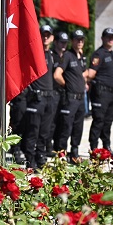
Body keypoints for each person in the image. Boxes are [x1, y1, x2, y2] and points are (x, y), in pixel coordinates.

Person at [21, 25, 56, 169]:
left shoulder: (52, 55)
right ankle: (30, 159)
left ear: (52, 38)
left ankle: (40, 158)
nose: (45, 37)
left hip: (49, 98)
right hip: (37, 98)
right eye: (43, 35)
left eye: (48, 35)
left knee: (45, 132)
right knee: (32, 131)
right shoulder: (34, 53)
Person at [53, 29, 88, 161]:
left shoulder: (82, 57)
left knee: (78, 127)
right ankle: (62, 154)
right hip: (70, 98)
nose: (80, 42)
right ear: (72, 41)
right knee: (66, 127)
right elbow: (57, 75)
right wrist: (67, 85)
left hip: (80, 98)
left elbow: (83, 74)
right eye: (77, 39)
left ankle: (74, 153)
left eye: (82, 39)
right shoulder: (68, 55)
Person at [88, 27, 113, 153]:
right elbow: (91, 74)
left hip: (111, 93)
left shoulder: (111, 54)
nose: (110, 39)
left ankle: (107, 146)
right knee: (99, 120)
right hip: (101, 93)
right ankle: (94, 148)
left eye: (112, 37)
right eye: (108, 37)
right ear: (102, 38)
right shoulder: (99, 54)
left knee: (108, 121)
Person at [48, 31, 69, 155]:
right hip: (53, 91)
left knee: (62, 121)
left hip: (64, 93)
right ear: (56, 42)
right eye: (61, 42)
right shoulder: (52, 55)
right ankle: (48, 146)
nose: (63, 45)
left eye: (65, 43)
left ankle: (58, 146)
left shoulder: (66, 56)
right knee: (52, 121)